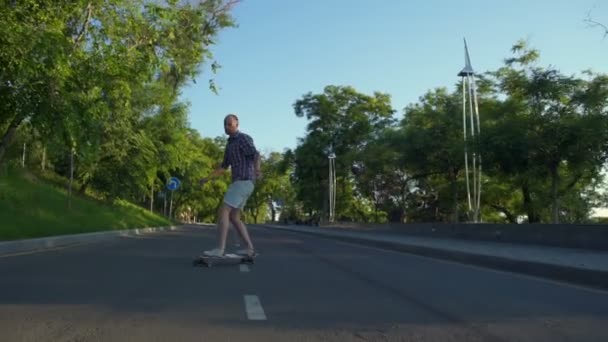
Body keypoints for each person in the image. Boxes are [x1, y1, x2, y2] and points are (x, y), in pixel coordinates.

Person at [200, 114, 261, 257]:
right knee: (234, 217)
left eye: (229, 124)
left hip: (244, 180)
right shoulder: (229, 144)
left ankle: (220, 249)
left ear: (236, 124)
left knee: (224, 211)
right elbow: (223, 167)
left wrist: (258, 170)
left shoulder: (243, 138)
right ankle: (249, 249)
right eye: (225, 125)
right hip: (243, 183)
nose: (227, 127)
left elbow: (256, 154)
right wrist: (207, 178)